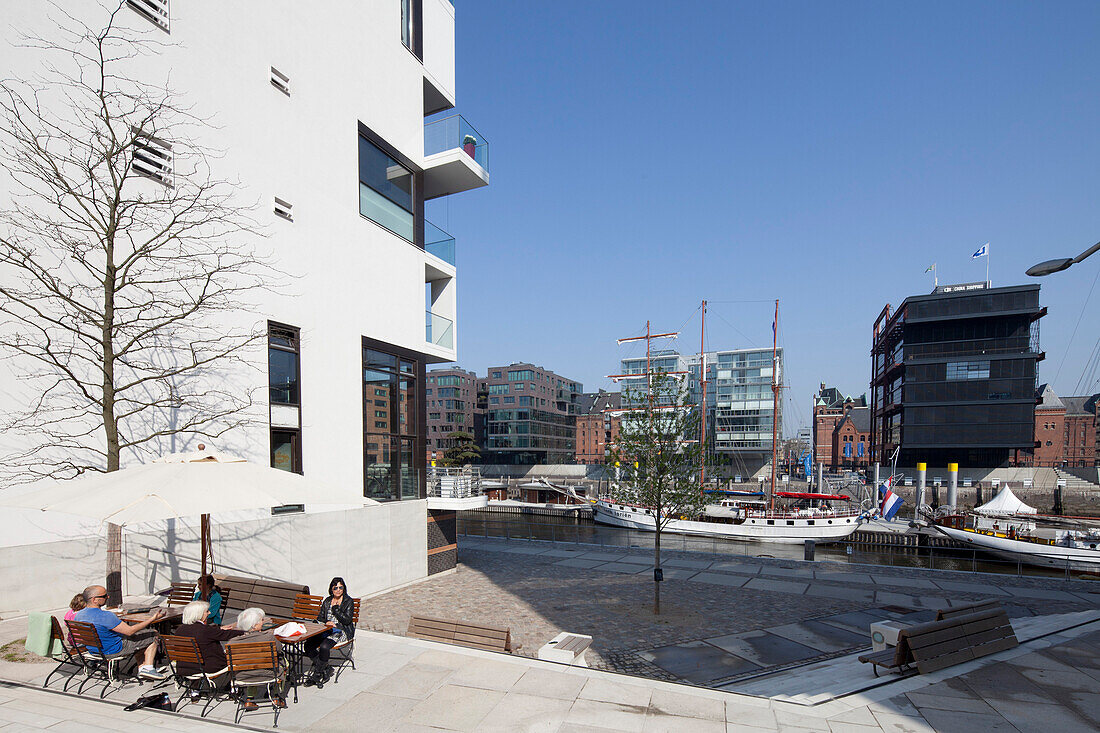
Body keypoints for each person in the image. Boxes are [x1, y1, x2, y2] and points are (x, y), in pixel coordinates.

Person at [74, 585, 166, 680]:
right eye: (104, 596)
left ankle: (143, 667)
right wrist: (152, 619)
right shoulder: (106, 616)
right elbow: (129, 631)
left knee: (138, 637)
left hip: (93, 650)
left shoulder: (78, 615)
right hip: (113, 650)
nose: (108, 597)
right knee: (152, 634)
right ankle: (149, 668)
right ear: (94, 600)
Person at [224, 607, 285, 711]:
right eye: (261, 620)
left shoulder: (232, 642)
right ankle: (275, 696)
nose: (263, 622)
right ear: (255, 625)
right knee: (284, 663)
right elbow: (279, 649)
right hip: (267, 674)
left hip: (242, 676)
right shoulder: (268, 638)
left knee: (250, 664)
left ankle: (249, 699)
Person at [172, 601, 245, 681]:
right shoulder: (205, 630)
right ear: (199, 614)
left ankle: (195, 689)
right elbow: (227, 635)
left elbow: (206, 633)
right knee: (237, 656)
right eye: (207, 611)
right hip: (208, 667)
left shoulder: (180, 630)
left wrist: (218, 629)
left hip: (185, 668)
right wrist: (247, 632)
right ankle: (235, 686)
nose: (209, 613)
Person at [303, 577, 354, 687]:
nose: (338, 590)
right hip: (326, 629)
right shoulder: (327, 601)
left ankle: (317, 674)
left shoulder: (348, 601)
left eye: (341, 587)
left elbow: (347, 620)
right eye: (335, 588)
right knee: (308, 645)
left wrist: (336, 610)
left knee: (324, 647)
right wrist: (326, 622)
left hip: (341, 630)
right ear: (331, 589)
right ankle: (326, 668)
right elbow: (321, 617)